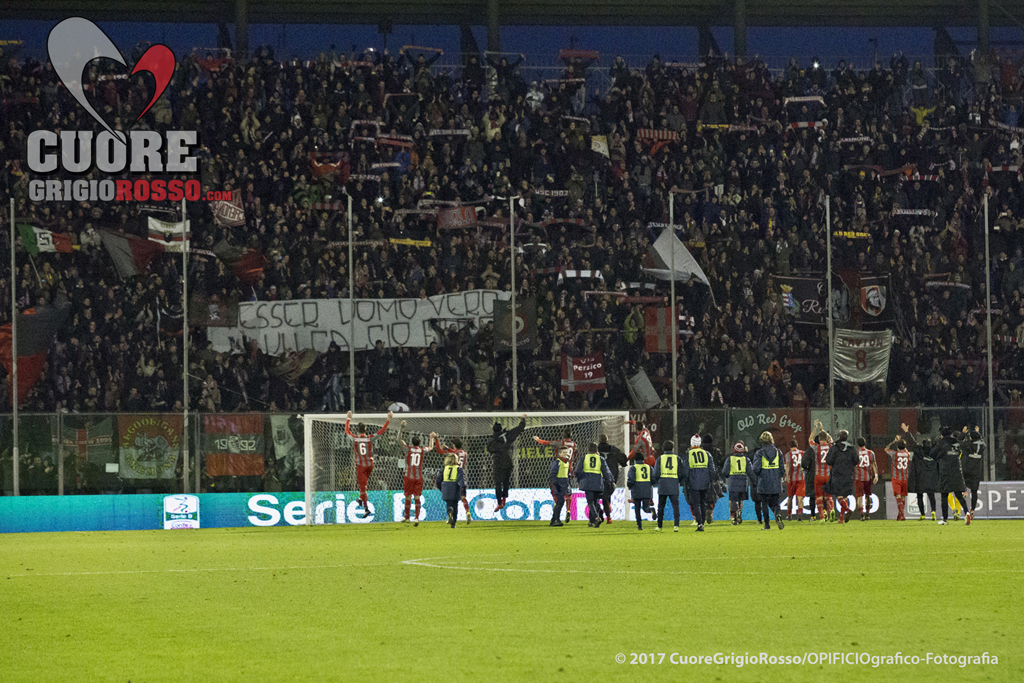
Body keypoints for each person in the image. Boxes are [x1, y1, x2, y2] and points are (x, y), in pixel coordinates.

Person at [344, 410, 393, 518]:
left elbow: (346, 431)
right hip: (370, 464)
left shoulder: (355, 438)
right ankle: (361, 499)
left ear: (357, 430)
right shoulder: (370, 438)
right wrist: (388, 420)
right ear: (366, 429)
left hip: (361, 466)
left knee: (362, 488)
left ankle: (366, 509)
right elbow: (381, 431)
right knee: (363, 486)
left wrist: (348, 418)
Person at [395, 421, 436, 526]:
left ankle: (407, 517)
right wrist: (432, 438)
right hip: (418, 477)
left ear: (412, 443)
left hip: (408, 476)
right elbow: (431, 448)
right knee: (417, 497)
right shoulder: (422, 450)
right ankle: (417, 518)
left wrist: (402, 428)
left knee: (408, 496)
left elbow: (398, 440)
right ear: (419, 443)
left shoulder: (408, 449)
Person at [534, 428, 577, 523]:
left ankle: (556, 504)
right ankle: (568, 510)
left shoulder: (559, 443)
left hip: (560, 467)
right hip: (569, 468)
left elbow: (546, 443)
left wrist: (537, 439)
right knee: (568, 491)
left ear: (563, 434)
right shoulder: (574, 444)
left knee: (555, 488)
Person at [488, 414, 527, 512]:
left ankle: (499, 502)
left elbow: (490, 449)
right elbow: (519, 429)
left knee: (497, 483)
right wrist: (522, 419)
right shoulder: (507, 436)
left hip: (498, 464)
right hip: (507, 462)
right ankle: (504, 499)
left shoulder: (492, 440)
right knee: (506, 482)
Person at [934, 427, 970, 526]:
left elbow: (933, 453)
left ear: (942, 435)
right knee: (959, 495)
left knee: (944, 495)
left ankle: (945, 520)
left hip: (946, 472)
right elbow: (961, 446)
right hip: (957, 471)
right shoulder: (956, 442)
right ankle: (967, 512)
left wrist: (939, 457)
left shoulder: (941, 443)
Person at [750, 431, 786, 531]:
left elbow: (755, 469)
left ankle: (767, 525)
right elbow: (782, 468)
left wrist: (760, 476)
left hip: (764, 481)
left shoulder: (759, 453)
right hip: (775, 481)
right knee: (776, 502)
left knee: (764, 503)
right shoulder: (778, 452)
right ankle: (778, 514)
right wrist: (777, 476)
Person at [681, 435, 715, 532]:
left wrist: (686, 481)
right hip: (705, 481)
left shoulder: (689, 454)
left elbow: (686, 470)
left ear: (691, 443)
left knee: (696, 504)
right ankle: (702, 522)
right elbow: (712, 469)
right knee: (703, 502)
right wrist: (710, 480)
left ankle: (700, 524)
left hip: (694, 481)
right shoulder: (707, 454)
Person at [434, 435, 470, 524]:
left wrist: (436, 439)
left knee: (451, 500)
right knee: (462, 496)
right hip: (462, 475)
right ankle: (468, 512)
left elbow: (439, 450)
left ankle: (451, 516)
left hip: (454, 476)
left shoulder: (453, 453)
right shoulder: (465, 453)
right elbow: (457, 452)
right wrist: (449, 448)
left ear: (454, 445)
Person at [575, 443, 613, 528]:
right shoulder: (601, 459)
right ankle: (591, 522)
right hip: (598, 483)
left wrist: (579, 480)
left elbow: (578, 471)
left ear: (588, 449)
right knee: (595, 502)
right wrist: (609, 481)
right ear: (596, 450)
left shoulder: (584, 458)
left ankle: (596, 518)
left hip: (587, 482)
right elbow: (606, 471)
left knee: (590, 502)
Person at [826, 430, 858, 524]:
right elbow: (856, 461)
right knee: (845, 496)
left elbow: (829, 461)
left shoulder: (834, 448)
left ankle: (847, 510)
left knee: (839, 495)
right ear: (847, 437)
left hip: (837, 473)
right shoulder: (851, 448)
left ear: (839, 436)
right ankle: (841, 519)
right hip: (848, 474)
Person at [905, 432, 939, 520]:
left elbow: (913, 443)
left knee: (919, 496)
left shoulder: (919, 451)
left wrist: (908, 433)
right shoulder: (934, 453)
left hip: (920, 478)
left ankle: (923, 514)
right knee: (931, 496)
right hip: (931, 479)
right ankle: (933, 511)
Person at [884, 424, 913, 521]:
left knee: (898, 496)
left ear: (897, 447)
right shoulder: (907, 454)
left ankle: (902, 515)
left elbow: (886, 449)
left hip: (896, 478)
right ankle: (900, 515)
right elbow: (906, 450)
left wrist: (894, 441)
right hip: (905, 478)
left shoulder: (894, 454)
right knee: (903, 497)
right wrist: (902, 444)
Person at [598, 433, 628, 524]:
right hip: (612, 476)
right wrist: (623, 462)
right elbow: (623, 459)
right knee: (607, 495)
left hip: (599, 476)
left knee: (596, 498)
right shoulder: (613, 449)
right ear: (607, 440)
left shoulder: (596, 450)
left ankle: (600, 514)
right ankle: (608, 513)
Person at [652, 440, 682, 531]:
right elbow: (681, 472)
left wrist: (658, 481)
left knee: (661, 506)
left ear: (663, 448)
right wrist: (678, 480)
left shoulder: (660, 458)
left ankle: (659, 526)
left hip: (663, 484)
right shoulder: (677, 458)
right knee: (675, 506)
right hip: (673, 483)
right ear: (673, 449)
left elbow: (656, 473)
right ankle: (676, 526)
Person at [808, 421, 834, 521]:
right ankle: (830, 511)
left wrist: (815, 428)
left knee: (819, 497)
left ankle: (822, 517)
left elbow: (810, 439)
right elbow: (830, 439)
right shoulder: (831, 446)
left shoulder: (816, 447)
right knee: (828, 497)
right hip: (828, 475)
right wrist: (822, 430)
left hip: (818, 475)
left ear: (819, 439)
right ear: (827, 438)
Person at [720, 441, 750, 525]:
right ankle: (739, 514)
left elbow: (725, 471)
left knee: (734, 500)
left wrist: (727, 476)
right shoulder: (746, 459)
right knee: (740, 500)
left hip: (733, 481)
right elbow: (750, 471)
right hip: (743, 481)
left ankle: (736, 514)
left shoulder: (730, 459)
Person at [960, 427, 985, 521]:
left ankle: (964, 490)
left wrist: (963, 434)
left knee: (962, 480)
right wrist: (978, 434)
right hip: (976, 471)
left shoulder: (968, 445)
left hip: (967, 468)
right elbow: (982, 442)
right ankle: (973, 511)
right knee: (974, 492)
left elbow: (959, 443)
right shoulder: (982, 446)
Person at [436, 454, 466, 528]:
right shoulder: (458, 469)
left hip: (446, 487)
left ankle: (450, 512)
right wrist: (463, 491)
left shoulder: (444, 469)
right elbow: (461, 480)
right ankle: (453, 524)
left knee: (448, 503)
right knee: (455, 505)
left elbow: (438, 480)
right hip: (455, 487)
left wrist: (441, 488)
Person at [626, 454, 654, 530]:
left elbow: (631, 479)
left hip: (637, 490)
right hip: (647, 490)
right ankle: (650, 510)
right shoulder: (649, 467)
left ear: (635, 460)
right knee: (645, 507)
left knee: (637, 508)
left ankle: (639, 526)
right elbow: (653, 479)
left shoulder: (633, 468)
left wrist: (629, 485)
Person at [854, 437, 879, 521]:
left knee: (859, 496)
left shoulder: (855, 453)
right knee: (868, 496)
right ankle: (868, 514)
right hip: (868, 477)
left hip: (858, 477)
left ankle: (861, 515)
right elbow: (874, 464)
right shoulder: (871, 453)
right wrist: (876, 475)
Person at [548, 447, 571, 527]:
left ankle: (554, 519)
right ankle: (556, 519)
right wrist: (555, 484)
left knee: (560, 502)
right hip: (558, 485)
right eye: (564, 453)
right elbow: (553, 474)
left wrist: (568, 485)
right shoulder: (557, 462)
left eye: (567, 453)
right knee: (560, 501)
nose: (566, 454)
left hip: (564, 485)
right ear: (560, 454)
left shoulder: (567, 462)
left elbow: (567, 475)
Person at [784, 438, 806, 521]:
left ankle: (789, 515)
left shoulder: (788, 454)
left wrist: (787, 476)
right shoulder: (802, 453)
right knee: (800, 498)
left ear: (790, 446)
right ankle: (800, 515)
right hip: (801, 478)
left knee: (790, 497)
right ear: (797, 445)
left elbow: (788, 466)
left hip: (792, 478)